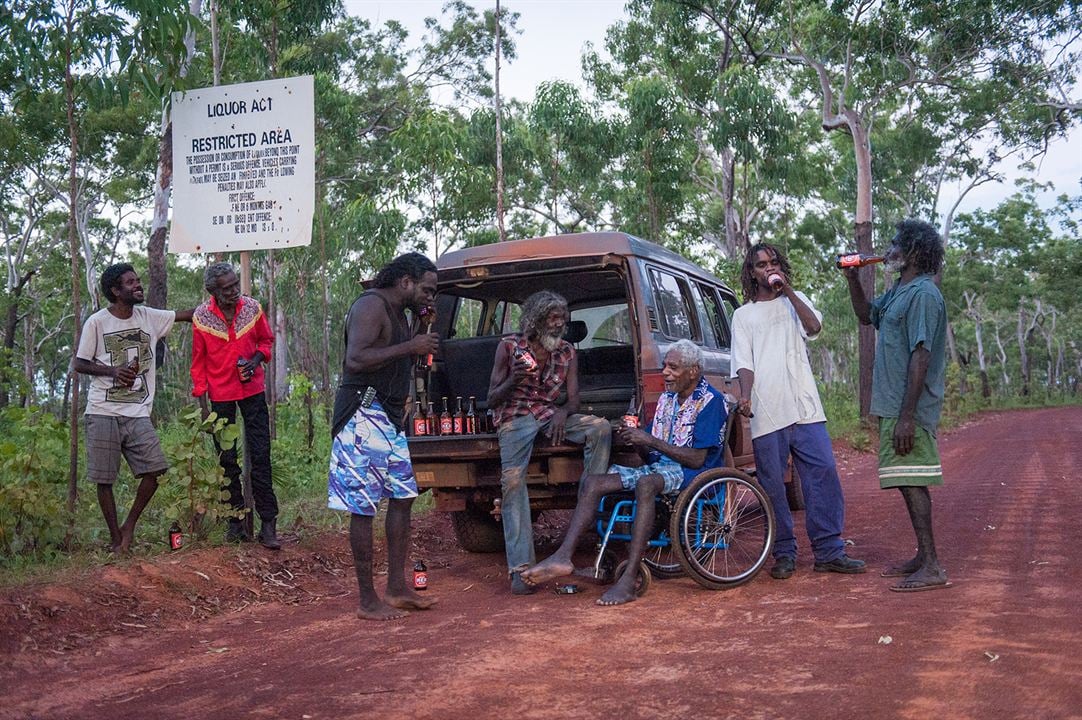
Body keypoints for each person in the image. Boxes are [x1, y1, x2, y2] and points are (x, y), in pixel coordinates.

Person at [522, 340, 727, 605]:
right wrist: (636, 440)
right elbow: (652, 453)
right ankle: (563, 556)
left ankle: (630, 578)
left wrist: (650, 441)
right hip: (661, 469)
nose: (665, 372)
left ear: (693, 371)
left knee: (645, 483)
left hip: (693, 473)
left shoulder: (711, 402)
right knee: (595, 482)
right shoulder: (667, 399)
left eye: (673, 368)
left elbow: (698, 459)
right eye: (665, 366)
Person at [731, 243, 866, 580]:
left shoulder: (796, 299)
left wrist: (786, 289)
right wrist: (745, 397)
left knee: (822, 475)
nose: (768, 268)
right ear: (751, 272)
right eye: (761, 265)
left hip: (805, 407)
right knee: (773, 486)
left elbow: (814, 327)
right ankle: (784, 553)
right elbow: (743, 363)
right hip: (768, 410)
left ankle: (829, 551)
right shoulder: (743, 315)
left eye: (773, 263)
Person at [328, 252, 440, 620]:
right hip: (362, 413)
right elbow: (355, 359)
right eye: (427, 289)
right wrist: (411, 346)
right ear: (405, 282)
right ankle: (367, 600)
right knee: (364, 507)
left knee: (404, 495)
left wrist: (419, 331)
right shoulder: (371, 306)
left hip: (390, 417)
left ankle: (395, 587)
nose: (430, 296)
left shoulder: (401, 314)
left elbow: (406, 356)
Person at [844, 219, 951, 592]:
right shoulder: (900, 290)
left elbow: (921, 355)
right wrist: (852, 278)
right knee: (906, 480)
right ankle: (923, 556)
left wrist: (907, 416)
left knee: (913, 480)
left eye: (896, 244)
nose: (889, 249)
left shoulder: (923, 294)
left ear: (915, 251)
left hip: (909, 409)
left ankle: (934, 565)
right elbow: (865, 315)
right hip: (892, 405)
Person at [486, 290, 612, 595]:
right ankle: (520, 570)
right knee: (513, 483)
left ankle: (588, 500)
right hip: (515, 417)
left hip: (549, 414)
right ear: (537, 320)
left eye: (563, 318)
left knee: (601, 428)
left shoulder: (567, 352)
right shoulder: (509, 348)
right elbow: (490, 399)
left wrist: (563, 412)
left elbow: (575, 398)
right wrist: (513, 380)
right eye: (554, 318)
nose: (560, 324)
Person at [73, 263, 194, 553]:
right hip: (102, 410)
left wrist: (221, 302)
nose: (138, 285)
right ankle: (116, 539)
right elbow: (78, 363)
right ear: (116, 291)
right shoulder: (97, 322)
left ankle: (129, 526)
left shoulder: (148, 316)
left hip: (137, 412)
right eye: (131, 282)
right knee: (105, 479)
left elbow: (186, 315)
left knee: (154, 471)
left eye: (138, 280)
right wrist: (113, 372)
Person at [191, 262, 280, 549]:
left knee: (260, 455)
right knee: (226, 460)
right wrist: (203, 403)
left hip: (253, 391)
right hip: (220, 396)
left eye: (234, 285)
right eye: (226, 288)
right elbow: (199, 362)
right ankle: (235, 521)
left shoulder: (252, 308)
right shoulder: (202, 318)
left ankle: (268, 523)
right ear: (212, 291)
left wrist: (255, 361)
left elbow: (266, 341)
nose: (233, 291)